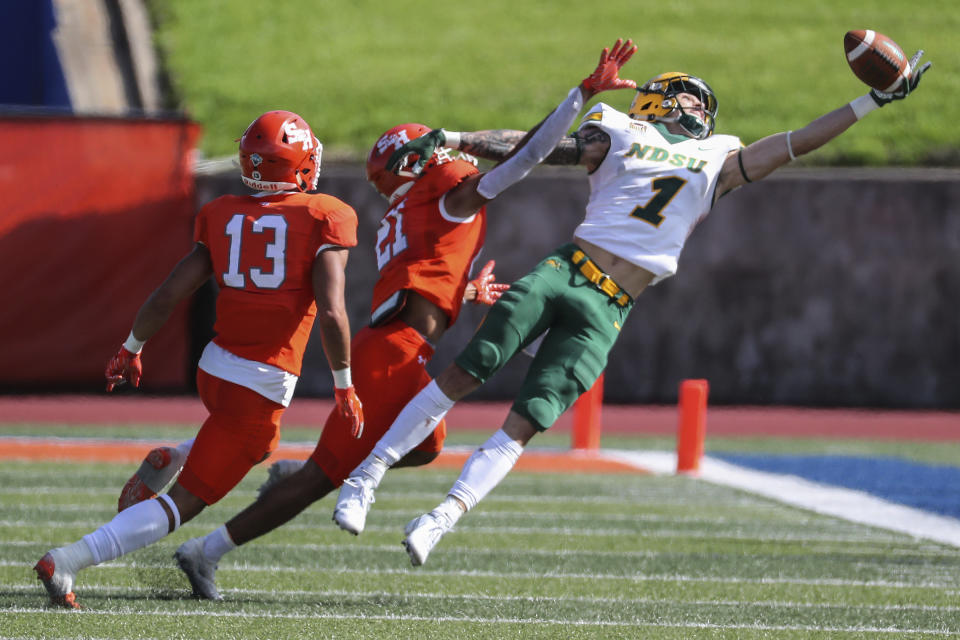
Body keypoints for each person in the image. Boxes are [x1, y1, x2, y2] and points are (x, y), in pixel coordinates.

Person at [333, 44, 933, 567]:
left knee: (529, 419)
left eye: (703, 104)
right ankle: (366, 477)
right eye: (691, 100)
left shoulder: (720, 156)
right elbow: (540, 149)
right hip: (566, 271)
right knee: (469, 371)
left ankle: (441, 519)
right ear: (657, 100)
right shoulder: (619, 129)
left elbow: (796, 143)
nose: (700, 111)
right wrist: (463, 138)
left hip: (614, 306)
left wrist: (870, 104)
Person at [167, 121, 512, 600]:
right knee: (320, 480)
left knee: (427, 445)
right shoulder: (443, 191)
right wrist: (571, 102)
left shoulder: (415, 207)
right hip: (394, 351)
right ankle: (206, 550)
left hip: (401, 346)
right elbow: (524, 156)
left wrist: (467, 290)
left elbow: (420, 279)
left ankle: (331, 468)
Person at [34, 109, 363, 608]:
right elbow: (334, 313)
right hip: (260, 380)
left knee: (258, 443)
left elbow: (169, 293)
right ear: (299, 163)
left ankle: (180, 454)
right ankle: (70, 560)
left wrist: (131, 347)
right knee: (185, 503)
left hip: (214, 368)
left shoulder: (224, 211)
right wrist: (344, 383)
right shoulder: (326, 215)